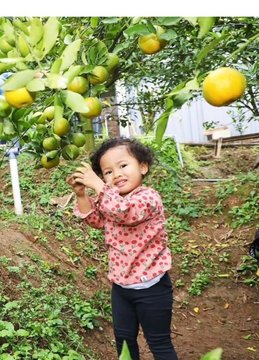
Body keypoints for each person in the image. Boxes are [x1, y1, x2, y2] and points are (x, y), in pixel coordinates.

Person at [67, 137, 178, 360]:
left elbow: (124, 212)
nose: (116, 175)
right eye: (107, 172)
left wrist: (98, 185)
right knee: (124, 341)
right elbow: (96, 220)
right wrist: (81, 195)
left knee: (159, 343)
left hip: (152, 289)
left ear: (143, 167)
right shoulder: (111, 199)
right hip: (121, 288)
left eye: (123, 166)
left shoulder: (147, 197)